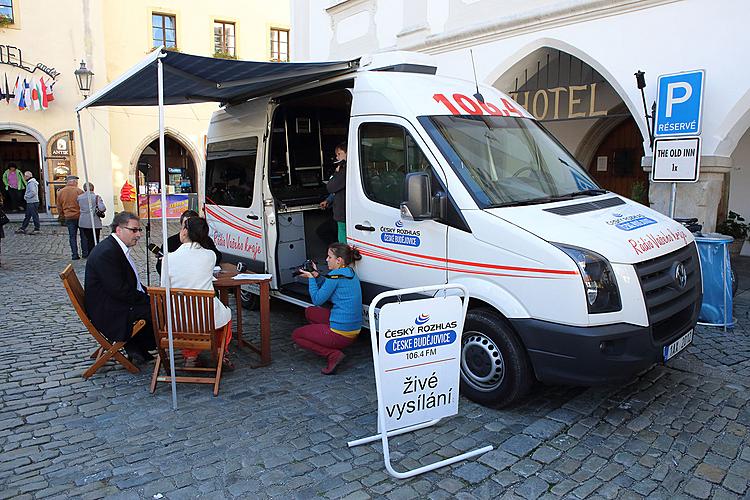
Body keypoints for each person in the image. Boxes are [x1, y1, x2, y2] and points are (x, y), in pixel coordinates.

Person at [161, 216, 234, 369]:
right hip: (205, 317)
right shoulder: (210, 256)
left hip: (177, 319)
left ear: (185, 232)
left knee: (190, 317)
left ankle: (190, 356)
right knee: (225, 315)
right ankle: (221, 352)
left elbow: (163, 288)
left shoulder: (168, 258)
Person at [84, 211, 155, 364]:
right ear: (119, 230)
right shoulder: (107, 252)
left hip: (115, 303)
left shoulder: (115, 248)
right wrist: (147, 299)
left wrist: (147, 294)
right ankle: (140, 345)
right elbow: (119, 290)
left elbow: (128, 283)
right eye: (134, 230)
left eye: (139, 230)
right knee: (159, 311)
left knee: (158, 305)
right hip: (110, 311)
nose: (138, 235)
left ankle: (138, 346)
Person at [292, 242, 362, 374]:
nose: (326, 260)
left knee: (297, 335)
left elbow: (317, 300)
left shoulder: (334, 276)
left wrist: (311, 279)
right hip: (353, 329)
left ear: (339, 260)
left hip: (341, 334)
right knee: (310, 312)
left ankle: (332, 353)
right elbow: (329, 284)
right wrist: (317, 275)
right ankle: (327, 340)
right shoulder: (349, 272)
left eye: (329, 257)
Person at [155, 209, 222, 274]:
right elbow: (160, 269)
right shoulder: (170, 242)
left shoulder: (206, 240)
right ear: (182, 227)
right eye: (186, 227)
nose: (189, 231)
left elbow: (217, 256)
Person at [319, 143, 348, 244]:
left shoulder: (344, 171)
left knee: (343, 241)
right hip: (343, 211)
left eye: (339, 154)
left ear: (347, 153)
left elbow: (331, 187)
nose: (337, 157)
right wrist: (328, 200)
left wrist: (336, 173)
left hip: (343, 213)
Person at [56, 175, 85, 260]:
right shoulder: (79, 191)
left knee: (72, 236)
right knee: (83, 236)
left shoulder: (61, 192)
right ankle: (85, 253)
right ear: (75, 182)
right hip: (79, 216)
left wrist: (62, 216)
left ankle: (74, 255)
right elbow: (83, 204)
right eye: (76, 182)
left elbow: (59, 206)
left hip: (68, 217)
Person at [77, 182, 106, 254]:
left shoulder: (79, 198)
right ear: (93, 188)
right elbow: (102, 208)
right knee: (95, 239)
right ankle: (94, 254)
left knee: (87, 239)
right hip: (94, 221)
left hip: (83, 221)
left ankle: (87, 253)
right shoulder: (96, 197)